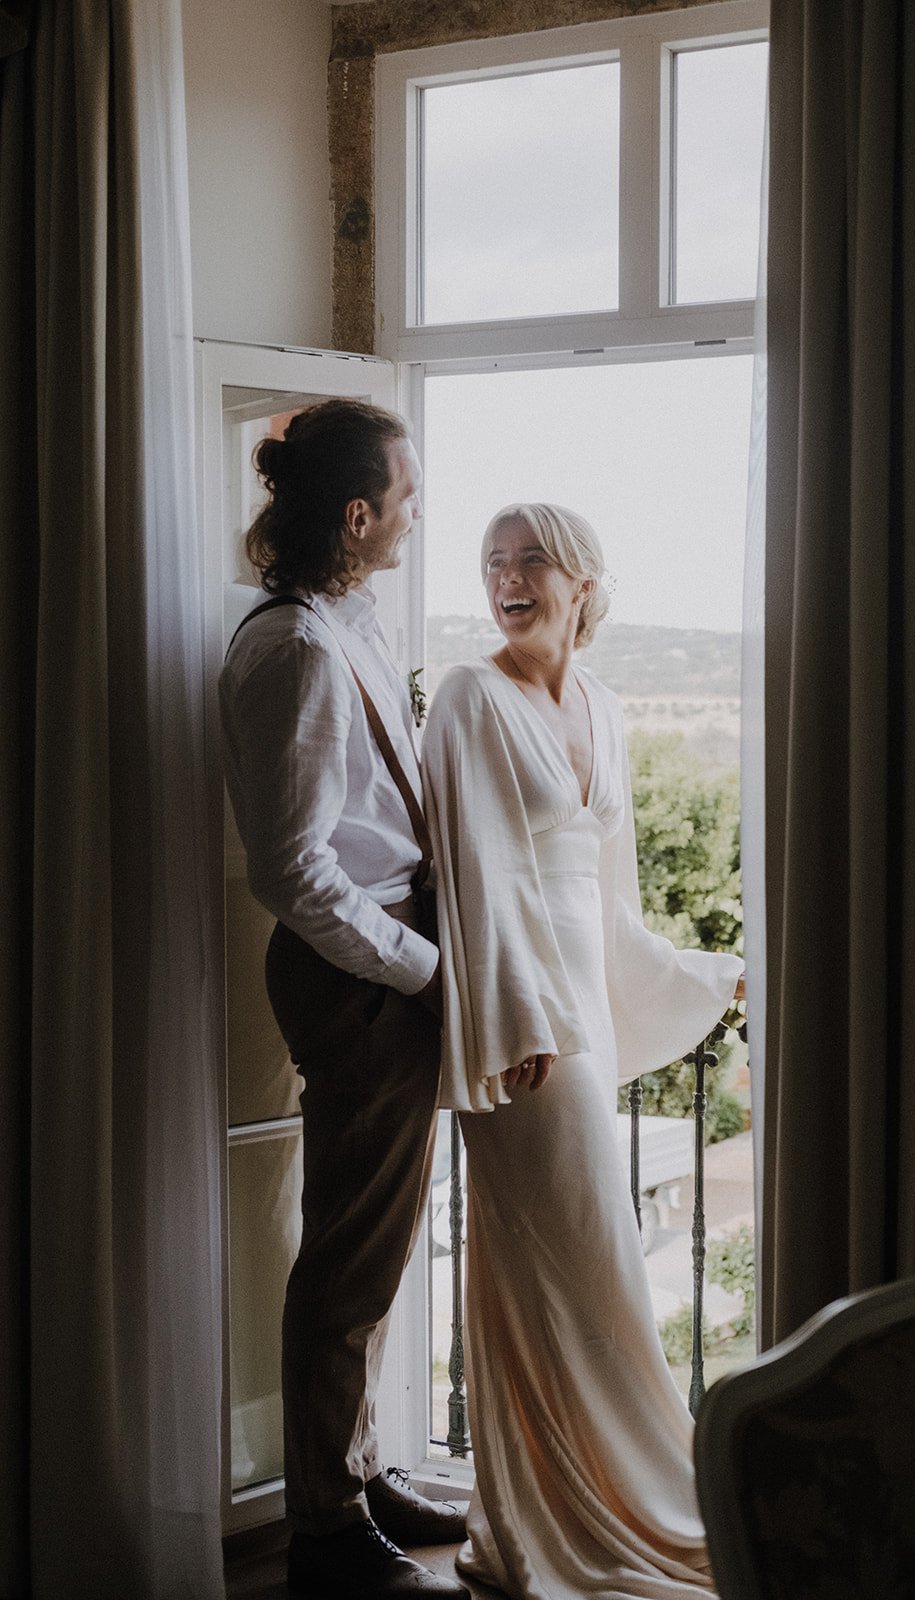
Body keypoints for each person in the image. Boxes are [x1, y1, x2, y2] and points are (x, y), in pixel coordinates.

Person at [421, 503, 745, 1600]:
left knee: (589, 1256)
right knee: (570, 1258)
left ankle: (595, 1496)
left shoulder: (603, 706)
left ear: (582, 580)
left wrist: (707, 974)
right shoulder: (468, 697)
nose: (506, 579)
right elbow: (475, 881)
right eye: (491, 563)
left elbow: (610, 907)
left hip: (587, 1017)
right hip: (523, 1029)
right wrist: (512, 1028)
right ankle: (562, 1514)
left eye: (529, 561)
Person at [218, 398, 469, 1600]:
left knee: (375, 1251)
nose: (418, 514)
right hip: (357, 981)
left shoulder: (352, 623)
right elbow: (295, 869)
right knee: (345, 1264)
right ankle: (321, 1528)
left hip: (383, 968)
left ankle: (356, 1471)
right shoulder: (297, 651)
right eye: (406, 496)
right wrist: (426, 973)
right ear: (359, 513)